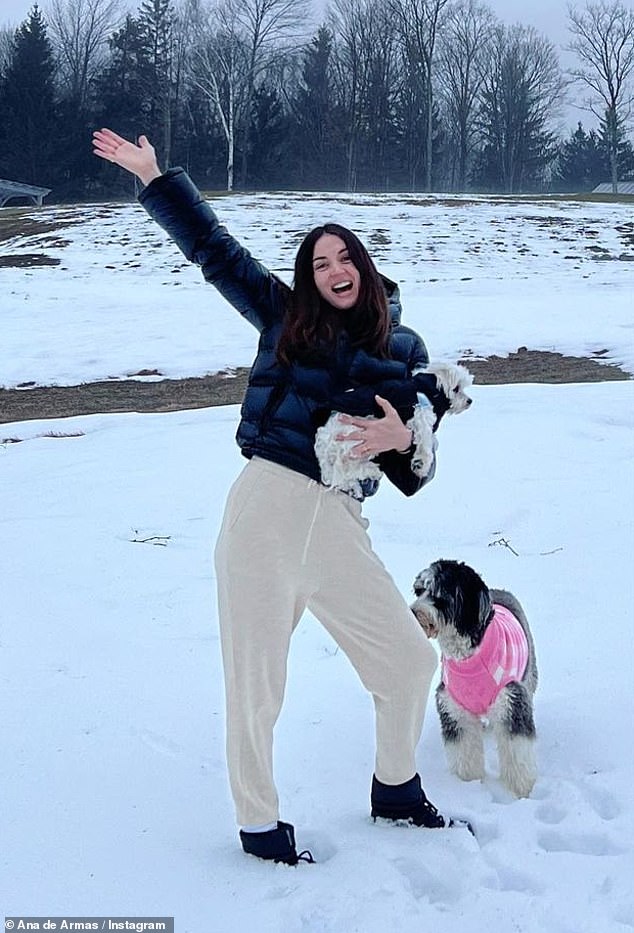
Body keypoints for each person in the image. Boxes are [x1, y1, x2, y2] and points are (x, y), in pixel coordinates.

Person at [92, 128, 465, 865]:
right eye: (318, 262)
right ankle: (259, 826)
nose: (333, 269)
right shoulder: (284, 315)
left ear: (365, 264)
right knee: (257, 683)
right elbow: (215, 251)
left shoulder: (408, 352)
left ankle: (395, 790)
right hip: (267, 503)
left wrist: (400, 442)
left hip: (340, 522)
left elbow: (419, 472)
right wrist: (156, 180)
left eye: (343, 256)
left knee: (407, 664)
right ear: (310, 276)